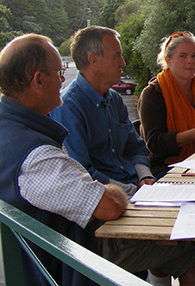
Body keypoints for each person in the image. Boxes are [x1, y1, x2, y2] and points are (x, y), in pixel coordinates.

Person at [0, 34, 195, 286]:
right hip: (75, 255)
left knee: (179, 234)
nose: (61, 80)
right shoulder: (36, 156)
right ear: (38, 80)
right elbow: (107, 205)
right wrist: (121, 191)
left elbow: (133, 148)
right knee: (190, 249)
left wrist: (142, 179)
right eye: (59, 73)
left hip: (65, 241)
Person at [50, 26, 153, 198]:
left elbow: (134, 147)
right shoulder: (68, 106)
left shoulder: (115, 100)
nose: (123, 63)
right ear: (94, 60)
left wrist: (146, 177)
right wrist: (133, 192)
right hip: (111, 202)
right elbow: (82, 173)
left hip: (138, 189)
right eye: (116, 56)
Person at [137, 31, 195, 178]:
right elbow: (154, 144)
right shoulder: (153, 94)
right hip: (166, 168)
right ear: (168, 60)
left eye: (194, 55)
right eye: (183, 56)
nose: (190, 61)